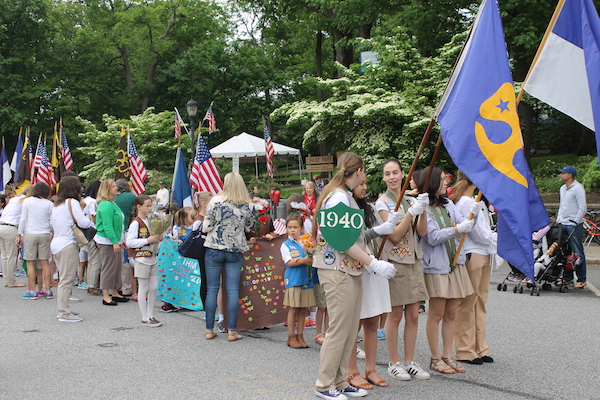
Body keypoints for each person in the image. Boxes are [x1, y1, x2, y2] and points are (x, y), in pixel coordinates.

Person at [312, 152, 398, 400]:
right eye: (364, 171)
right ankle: (324, 384)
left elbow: (353, 236)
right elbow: (340, 240)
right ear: (358, 169)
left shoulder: (343, 196)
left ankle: (339, 380)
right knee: (339, 329)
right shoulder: (338, 197)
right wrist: (374, 263)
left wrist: (377, 231)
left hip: (348, 268)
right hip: (337, 269)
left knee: (350, 330)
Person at [414, 167, 475, 375]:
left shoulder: (448, 204)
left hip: (454, 263)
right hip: (437, 266)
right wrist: (457, 229)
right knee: (437, 313)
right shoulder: (424, 206)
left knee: (451, 313)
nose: (446, 183)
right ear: (432, 183)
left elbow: (460, 222)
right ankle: (435, 357)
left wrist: (468, 218)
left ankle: (448, 355)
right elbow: (431, 237)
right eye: (442, 180)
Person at [375, 160, 431, 381]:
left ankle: (409, 361)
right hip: (395, 262)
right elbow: (395, 235)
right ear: (384, 177)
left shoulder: (409, 200)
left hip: (414, 260)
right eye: (387, 174)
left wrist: (422, 210)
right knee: (395, 315)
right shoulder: (382, 203)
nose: (392, 177)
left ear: (403, 174)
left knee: (414, 315)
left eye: (395, 172)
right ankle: (394, 362)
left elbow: (422, 232)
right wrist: (410, 213)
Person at [345, 176, 402, 390]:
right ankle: (352, 370)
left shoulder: (368, 208)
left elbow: (368, 236)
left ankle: (371, 369)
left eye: (365, 184)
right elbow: (354, 239)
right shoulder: (346, 207)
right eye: (360, 183)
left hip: (375, 266)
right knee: (355, 323)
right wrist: (378, 230)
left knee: (372, 320)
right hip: (360, 267)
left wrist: (385, 226)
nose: (364, 187)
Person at [449, 171, 496, 365]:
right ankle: (466, 349)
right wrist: (498, 240)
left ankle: (480, 347)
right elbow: (479, 234)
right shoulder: (467, 202)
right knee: (469, 304)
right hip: (474, 252)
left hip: (483, 252)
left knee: (479, 302)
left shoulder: (475, 201)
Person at [203, 172, 255, 342]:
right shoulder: (248, 204)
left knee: (212, 289)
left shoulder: (215, 201)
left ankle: (210, 330)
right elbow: (249, 227)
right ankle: (232, 331)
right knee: (232, 291)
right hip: (235, 249)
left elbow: (207, 225)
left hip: (214, 248)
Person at [51, 176, 96, 322]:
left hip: (57, 242)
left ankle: (65, 309)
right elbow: (83, 223)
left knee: (65, 277)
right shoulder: (73, 202)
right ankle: (63, 312)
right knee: (67, 279)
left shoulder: (57, 204)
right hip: (67, 243)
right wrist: (88, 217)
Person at [127, 194, 164, 327]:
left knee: (153, 287)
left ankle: (151, 314)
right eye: (147, 206)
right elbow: (130, 242)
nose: (149, 208)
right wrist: (147, 240)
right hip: (142, 258)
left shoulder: (150, 220)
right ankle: (144, 317)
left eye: (150, 206)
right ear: (139, 207)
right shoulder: (136, 223)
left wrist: (158, 237)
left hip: (152, 256)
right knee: (143, 288)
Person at [280, 214, 315, 349]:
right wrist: (304, 260)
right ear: (286, 229)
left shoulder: (305, 242)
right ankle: (291, 336)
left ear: (301, 228)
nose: (293, 230)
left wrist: (311, 254)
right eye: (290, 227)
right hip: (294, 279)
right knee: (293, 308)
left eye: (295, 227)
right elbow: (289, 262)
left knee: (303, 309)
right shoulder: (285, 245)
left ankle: (301, 335)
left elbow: (312, 255)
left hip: (306, 278)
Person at [94, 179, 128, 306]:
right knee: (108, 267)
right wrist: (114, 242)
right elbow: (107, 225)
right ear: (107, 189)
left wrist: (120, 240)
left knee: (117, 267)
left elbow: (118, 224)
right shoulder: (106, 205)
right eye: (113, 186)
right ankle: (106, 295)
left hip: (115, 239)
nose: (116, 188)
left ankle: (115, 291)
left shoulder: (112, 203)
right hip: (107, 240)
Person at [18, 182, 54, 300]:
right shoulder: (49, 204)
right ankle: (48, 289)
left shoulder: (27, 201)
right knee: (45, 263)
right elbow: (52, 220)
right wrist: (52, 231)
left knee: (30, 263)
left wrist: (20, 233)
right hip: (44, 233)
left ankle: (32, 290)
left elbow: (23, 218)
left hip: (30, 233)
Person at [556, 166, 587, 289]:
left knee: (577, 252)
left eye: (562, 173)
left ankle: (581, 278)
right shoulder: (563, 188)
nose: (560, 175)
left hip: (573, 224)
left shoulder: (578, 188)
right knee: (565, 252)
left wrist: (576, 221)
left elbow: (582, 207)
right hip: (563, 223)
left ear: (570, 175)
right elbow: (562, 206)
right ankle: (567, 278)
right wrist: (559, 220)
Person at [0, 185, 32, 288]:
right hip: (11, 227)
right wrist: (20, 233)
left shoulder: (14, 199)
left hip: (2, 225)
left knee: (4, 256)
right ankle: (11, 281)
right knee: (12, 256)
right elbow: (24, 218)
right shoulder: (25, 201)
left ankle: (6, 280)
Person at [83, 181, 103, 295]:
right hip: (93, 231)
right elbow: (94, 218)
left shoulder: (85, 200)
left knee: (91, 260)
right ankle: (93, 285)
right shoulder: (93, 202)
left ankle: (90, 282)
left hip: (86, 233)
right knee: (96, 260)